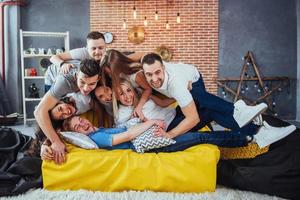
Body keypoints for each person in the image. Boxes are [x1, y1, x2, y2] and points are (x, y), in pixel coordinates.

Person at [113, 79, 296, 150]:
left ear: (133, 90)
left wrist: (180, 94)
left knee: (199, 97)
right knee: (207, 111)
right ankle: (253, 130)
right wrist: (143, 118)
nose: (127, 96)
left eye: (128, 91)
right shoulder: (124, 113)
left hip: (176, 114)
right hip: (172, 126)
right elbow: (128, 130)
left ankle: (252, 126)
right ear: (117, 98)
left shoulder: (147, 97)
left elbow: (165, 102)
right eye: (122, 94)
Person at [141, 53, 270, 139]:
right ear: (143, 72)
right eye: (149, 74)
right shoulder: (142, 71)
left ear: (163, 67)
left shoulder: (176, 84)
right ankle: (246, 118)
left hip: (194, 81)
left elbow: (193, 119)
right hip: (182, 86)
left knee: (204, 104)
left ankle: (241, 115)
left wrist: (169, 135)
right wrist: (141, 104)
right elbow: (136, 56)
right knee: (208, 110)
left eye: (158, 72)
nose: (154, 78)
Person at [34, 59, 101, 164]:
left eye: (61, 108)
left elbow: (40, 111)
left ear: (60, 101)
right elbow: (41, 113)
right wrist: (47, 143)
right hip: (51, 76)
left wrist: (61, 63)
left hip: (59, 69)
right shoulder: (64, 83)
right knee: (46, 110)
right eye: (82, 82)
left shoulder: (92, 75)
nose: (86, 88)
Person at [50, 31, 143, 75]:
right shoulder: (82, 52)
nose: (97, 52)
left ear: (105, 47)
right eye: (93, 48)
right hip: (52, 76)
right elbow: (53, 57)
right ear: (87, 48)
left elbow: (140, 54)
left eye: (100, 48)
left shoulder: (108, 55)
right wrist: (62, 64)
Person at [100, 49, 152, 120]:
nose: (110, 76)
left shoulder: (136, 75)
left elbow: (148, 89)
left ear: (119, 67)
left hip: (140, 98)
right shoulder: (112, 67)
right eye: (108, 73)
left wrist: (139, 106)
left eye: (112, 73)